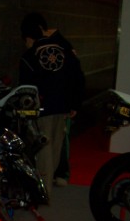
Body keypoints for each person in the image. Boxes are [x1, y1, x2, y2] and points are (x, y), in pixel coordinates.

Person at [19, 12, 85, 195]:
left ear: (28, 37)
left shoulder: (29, 57)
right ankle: (50, 180)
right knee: (56, 145)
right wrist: (75, 104)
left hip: (43, 108)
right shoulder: (65, 51)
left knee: (44, 147)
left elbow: (26, 87)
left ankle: (44, 188)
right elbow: (78, 78)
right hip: (63, 105)